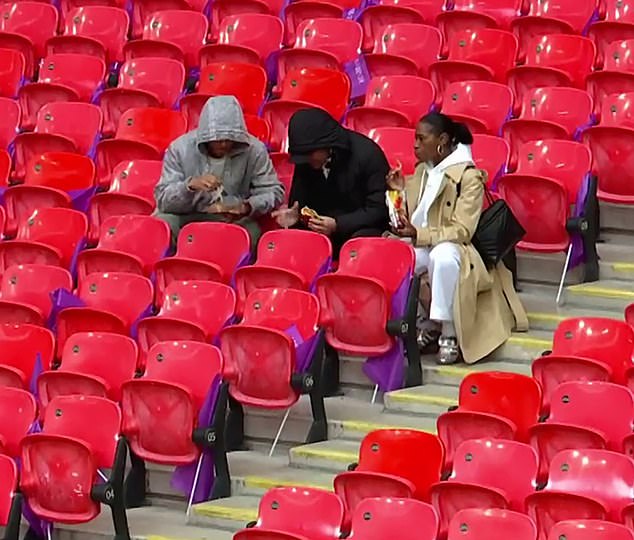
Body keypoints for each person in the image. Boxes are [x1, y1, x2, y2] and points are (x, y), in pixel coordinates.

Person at [389, 112, 527, 365]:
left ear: (441, 140)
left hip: (462, 251)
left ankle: (448, 333)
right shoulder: (422, 172)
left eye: (421, 138)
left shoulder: (469, 177)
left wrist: (420, 235)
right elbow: (410, 220)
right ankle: (424, 321)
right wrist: (398, 193)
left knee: (442, 256)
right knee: (398, 258)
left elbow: (463, 230)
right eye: (414, 138)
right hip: (423, 242)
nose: (415, 145)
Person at [154, 95, 284, 249]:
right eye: (217, 139)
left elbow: (273, 191)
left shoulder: (255, 150)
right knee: (161, 226)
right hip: (187, 213)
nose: (223, 144)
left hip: (231, 217)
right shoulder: (179, 148)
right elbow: (163, 199)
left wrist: (248, 206)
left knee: (252, 232)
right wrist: (189, 186)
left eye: (229, 139)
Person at [272, 107, 390, 255]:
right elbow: (301, 202)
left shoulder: (368, 155)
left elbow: (379, 210)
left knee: (360, 243)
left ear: (327, 145)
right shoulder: (306, 160)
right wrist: (297, 217)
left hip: (360, 229)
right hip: (320, 229)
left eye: (310, 155)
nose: (306, 161)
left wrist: (338, 225)